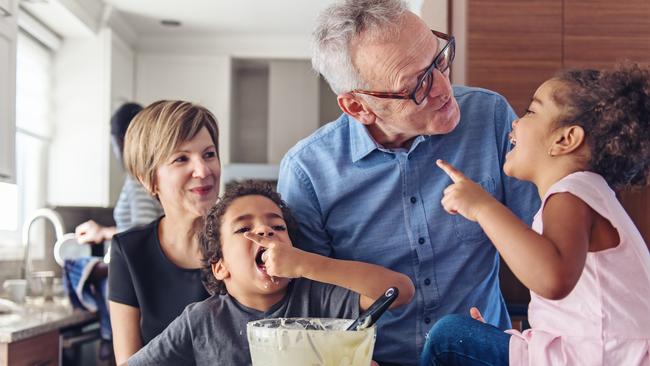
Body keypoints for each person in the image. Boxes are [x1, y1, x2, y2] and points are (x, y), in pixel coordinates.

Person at [276, 0, 539, 364]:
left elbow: (545, 242)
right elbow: (312, 300)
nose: (444, 87)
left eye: (439, 60)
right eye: (416, 85)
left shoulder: (490, 116)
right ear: (357, 107)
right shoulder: (307, 174)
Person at [422, 64, 650, 365]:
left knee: (448, 338)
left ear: (565, 140)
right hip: (593, 351)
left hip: (601, 355)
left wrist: (482, 206)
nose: (515, 124)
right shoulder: (588, 195)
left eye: (530, 112)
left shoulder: (571, 195)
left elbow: (552, 278)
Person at [125, 180, 415, 365]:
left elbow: (400, 290)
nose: (264, 230)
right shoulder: (200, 321)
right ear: (220, 266)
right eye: (243, 228)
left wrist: (306, 264)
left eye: (278, 227)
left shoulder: (319, 299)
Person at [108, 100, 221, 364]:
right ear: (148, 179)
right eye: (182, 158)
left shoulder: (242, 240)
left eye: (209, 154)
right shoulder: (128, 251)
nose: (203, 170)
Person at [75, 102, 163, 245]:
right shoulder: (150, 173)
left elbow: (143, 230)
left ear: (121, 140)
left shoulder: (138, 177)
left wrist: (103, 232)